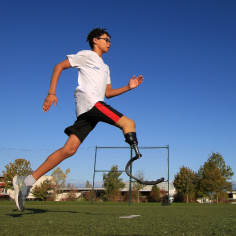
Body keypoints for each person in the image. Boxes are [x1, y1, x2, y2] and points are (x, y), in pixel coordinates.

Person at [13, 28, 144, 212]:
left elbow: (108, 93)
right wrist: (51, 93)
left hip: (93, 107)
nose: (110, 43)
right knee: (129, 123)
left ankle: (26, 182)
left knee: (69, 149)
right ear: (95, 40)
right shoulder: (87, 55)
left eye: (110, 40)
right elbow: (58, 66)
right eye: (106, 39)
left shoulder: (105, 68)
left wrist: (129, 87)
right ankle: (137, 152)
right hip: (91, 104)